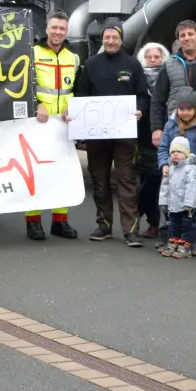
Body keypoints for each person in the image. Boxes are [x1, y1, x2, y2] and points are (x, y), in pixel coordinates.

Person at [71, 17, 147, 247]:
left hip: (124, 136)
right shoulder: (91, 64)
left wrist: (140, 110)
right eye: (107, 37)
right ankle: (103, 225)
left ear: (121, 39)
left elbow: (143, 95)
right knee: (100, 182)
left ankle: (131, 231)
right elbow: (80, 95)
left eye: (115, 37)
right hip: (97, 135)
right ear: (102, 39)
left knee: (126, 181)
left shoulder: (132, 64)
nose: (111, 41)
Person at [150, 19, 196, 246]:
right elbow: (158, 99)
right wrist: (157, 128)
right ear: (178, 40)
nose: (187, 38)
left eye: (190, 34)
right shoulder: (170, 64)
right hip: (176, 131)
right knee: (173, 182)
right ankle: (171, 232)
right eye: (182, 35)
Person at [29, 11, 81, 240]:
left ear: (66, 32)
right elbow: (22, 85)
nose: (58, 32)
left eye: (62, 29)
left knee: (63, 172)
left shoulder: (74, 58)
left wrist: (75, 110)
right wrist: (37, 104)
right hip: (38, 123)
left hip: (64, 125)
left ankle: (60, 221)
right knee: (36, 171)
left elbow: (78, 90)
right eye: (54, 28)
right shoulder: (32, 53)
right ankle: (33, 221)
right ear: (46, 29)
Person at [155, 88, 196, 258]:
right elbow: (163, 149)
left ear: (195, 109)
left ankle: (194, 242)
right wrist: (163, 165)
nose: (185, 113)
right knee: (172, 212)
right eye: (182, 109)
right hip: (174, 178)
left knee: (194, 212)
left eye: (189, 109)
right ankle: (174, 240)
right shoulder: (170, 125)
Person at [136, 41, 167, 241]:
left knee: (157, 178)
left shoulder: (169, 76)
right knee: (149, 177)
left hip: (165, 134)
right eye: (150, 57)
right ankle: (153, 222)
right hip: (142, 135)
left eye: (158, 56)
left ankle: (141, 211)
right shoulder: (138, 77)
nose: (154, 60)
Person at [158, 136, 196, 259]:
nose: (175, 155)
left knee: (186, 226)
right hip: (173, 205)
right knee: (173, 225)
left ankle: (186, 247)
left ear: (186, 153)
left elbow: (192, 188)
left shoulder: (191, 169)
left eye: (179, 152)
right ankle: (173, 243)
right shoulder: (171, 167)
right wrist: (163, 201)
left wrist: (189, 203)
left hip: (187, 206)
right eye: (173, 152)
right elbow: (165, 185)